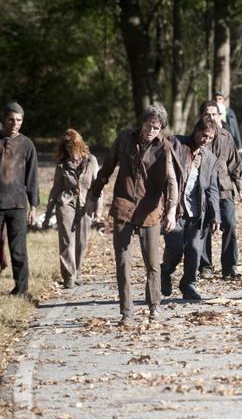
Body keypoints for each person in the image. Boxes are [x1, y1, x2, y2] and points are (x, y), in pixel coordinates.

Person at [86, 103, 178, 326]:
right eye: (148, 125)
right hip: (124, 205)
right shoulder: (125, 139)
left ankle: (154, 306)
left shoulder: (164, 147)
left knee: (152, 263)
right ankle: (126, 312)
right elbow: (107, 167)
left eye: (156, 128)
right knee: (123, 262)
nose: (151, 131)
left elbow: (171, 181)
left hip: (150, 209)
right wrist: (93, 195)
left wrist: (172, 210)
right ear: (142, 122)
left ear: (161, 129)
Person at [161, 117, 221, 300]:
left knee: (195, 251)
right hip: (175, 209)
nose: (206, 140)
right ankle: (165, 272)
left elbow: (212, 189)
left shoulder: (210, 158)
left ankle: (188, 285)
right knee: (176, 247)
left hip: (197, 213)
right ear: (196, 131)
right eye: (204, 135)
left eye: (210, 138)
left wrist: (216, 217)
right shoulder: (176, 144)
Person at [43, 129, 100, 289]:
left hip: (85, 204)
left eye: (72, 144)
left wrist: (98, 210)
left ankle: (77, 272)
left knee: (82, 241)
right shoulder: (62, 165)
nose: (69, 148)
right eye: (66, 145)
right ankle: (68, 276)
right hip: (66, 203)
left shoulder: (91, 161)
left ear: (79, 143)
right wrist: (48, 214)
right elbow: (55, 190)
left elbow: (98, 187)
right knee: (66, 240)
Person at [197, 100, 242, 280]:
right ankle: (205, 266)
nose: (211, 118)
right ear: (201, 116)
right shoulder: (197, 137)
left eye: (214, 114)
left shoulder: (227, 137)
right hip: (202, 191)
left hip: (225, 188)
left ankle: (230, 266)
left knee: (230, 224)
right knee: (203, 227)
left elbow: (235, 164)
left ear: (219, 116)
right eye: (207, 114)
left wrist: (240, 186)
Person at [0, 102, 39, 296]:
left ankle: (21, 289)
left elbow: (32, 178)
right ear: (3, 119)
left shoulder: (27, 145)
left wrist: (34, 206)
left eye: (19, 120)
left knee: (18, 249)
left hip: (17, 204)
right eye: (11, 119)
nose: (15, 123)